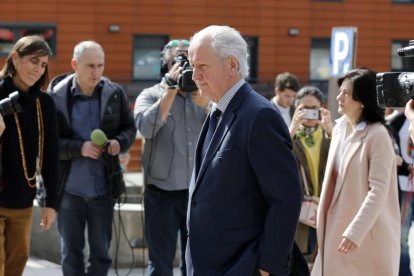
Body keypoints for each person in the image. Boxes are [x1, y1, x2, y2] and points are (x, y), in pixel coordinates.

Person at [185, 25, 302, 276]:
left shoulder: (259, 116)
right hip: (209, 263)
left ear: (232, 64)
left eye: (202, 66)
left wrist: (266, 267)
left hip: (240, 265)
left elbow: (286, 199)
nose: (194, 76)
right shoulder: (218, 110)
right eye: (192, 66)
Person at [48, 40, 136, 275]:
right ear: (75, 64)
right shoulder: (56, 97)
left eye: (100, 65)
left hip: (103, 191)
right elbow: (48, 144)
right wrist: (80, 148)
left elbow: (130, 128)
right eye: (90, 66)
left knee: (101, 257)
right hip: (68, 192)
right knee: (70, 256)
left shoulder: (114, 93)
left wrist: (119, 142)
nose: (96, 72)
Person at [312, 68, 400, 276]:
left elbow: (378, 190)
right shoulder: (340, 129)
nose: (338, 97)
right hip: (336, 232)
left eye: (346, 93)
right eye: (340, 91)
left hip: (365, 237)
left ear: (362, 100)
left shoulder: (378, 134)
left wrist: (356, 231)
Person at [134, 39, 209, 276]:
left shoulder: (206, 94)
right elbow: (145, 129)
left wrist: (207, 104)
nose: (185, 63)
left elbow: (230, 129)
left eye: (190, 58)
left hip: (198, 192)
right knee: (160, 264)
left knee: (197, 262)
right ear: (164, 64)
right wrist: (169, 91)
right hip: (161, 193)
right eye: (179, 58)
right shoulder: (150, 94)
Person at [0, 35, 59, 276]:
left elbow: (51, 154)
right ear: (15, 58)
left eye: (43, 64)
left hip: (23, 200)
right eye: (34, 61)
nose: (38, 68)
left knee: (16, 264)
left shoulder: (44, 103)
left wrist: (51, 203)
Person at [289, 86, 332, 256]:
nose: (310, 113)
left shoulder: (330, 135)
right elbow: (276, 157)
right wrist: (293, 127)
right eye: (304, 108)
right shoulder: (289, 135)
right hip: (300, 211)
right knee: (302, 261)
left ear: (322, 108)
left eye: (314, 108)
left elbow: (344, 161)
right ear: (296, 109)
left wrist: (330, 131)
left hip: (326, 209)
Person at [388, 109, 414, 276]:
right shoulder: (398, 120)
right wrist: (407, 166)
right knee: (401, 239)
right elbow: (392, 150)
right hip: (406, 189)